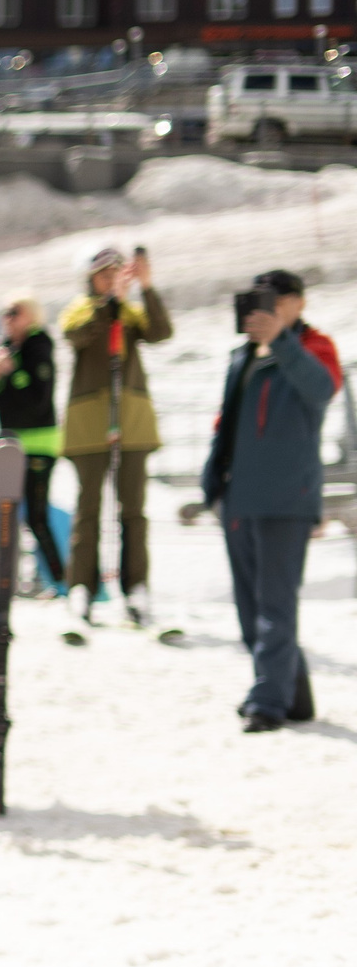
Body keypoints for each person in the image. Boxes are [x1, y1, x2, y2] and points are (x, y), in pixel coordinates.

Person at [203, 269, 343, 731]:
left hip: (288, 497)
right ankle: (293, 698)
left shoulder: (316, 347)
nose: (262, 309)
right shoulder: (241, 356)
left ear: (297, 303)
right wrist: (213, 482)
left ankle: (267, 703)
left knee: (275, 606)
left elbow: (322, 390)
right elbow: (227, 424)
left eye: (273, 300)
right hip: (240, 496)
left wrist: (283, 341)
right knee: (250, 610)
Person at [59, 246, 173, 630]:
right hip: (89, 425)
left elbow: (160, 332)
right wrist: (107, 304)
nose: (110, 280)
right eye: (103, 274)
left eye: (116, 273)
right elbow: (75, 333)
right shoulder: (80, 307)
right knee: (87, 509)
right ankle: (81, 587)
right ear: (91, 278)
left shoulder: (130, 312)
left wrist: (146, 287)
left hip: (133, 423)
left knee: (133, 511)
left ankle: (136, 586)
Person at [0, 295, 67, 594]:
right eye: (5, 313)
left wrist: (11, 373)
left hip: (39, 444)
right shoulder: (5, 349)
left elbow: (36, 401)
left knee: (36, 516)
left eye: (15, 312)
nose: (8, 318)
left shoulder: (39, 347)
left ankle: (60, 580)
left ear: (32, 316)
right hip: (9, 445)